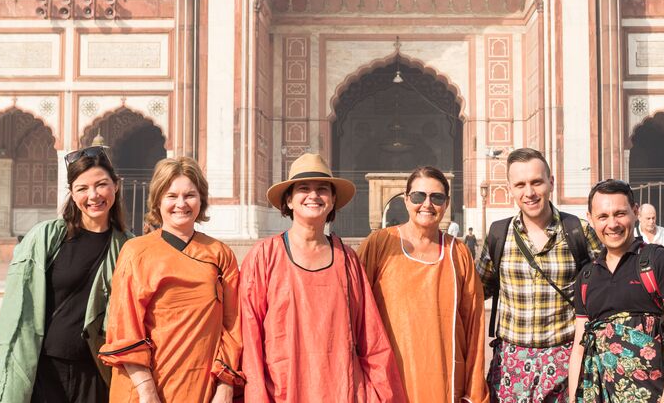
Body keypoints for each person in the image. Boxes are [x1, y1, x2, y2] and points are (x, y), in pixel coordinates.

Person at [240, 152, 405, 403]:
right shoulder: (264, 256)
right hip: (283, 392)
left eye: (322, 189)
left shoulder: (347, 260)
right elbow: (250, 340)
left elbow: (371, 339)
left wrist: (383, 395)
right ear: (289, 200)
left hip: (342, 390)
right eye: (303, 188)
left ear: (333, 200)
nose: (314, 195)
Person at [0, 145, 132, 403]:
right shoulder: (47, 237)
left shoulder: (129, 247)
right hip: (46, 369)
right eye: (82, 188)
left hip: (95, 371)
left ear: (116, 186)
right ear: (72, 194)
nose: (93, 195)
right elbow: (17, 309)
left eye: (101, 184)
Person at [100, 156, 243, 402]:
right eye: (172, 196)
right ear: (158, 201)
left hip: (201, 386)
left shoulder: (219, 254)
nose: (181, 204)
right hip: (143, 388)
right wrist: (147, 392)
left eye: (190, 195)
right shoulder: (136, 252)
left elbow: (233, 327)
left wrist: (225, 385)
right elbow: (124, 328)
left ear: (201, 200)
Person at [477, 148, 601, 403]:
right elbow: (476, 291)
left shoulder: (578, 231)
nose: (529, 192)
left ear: (550, 182)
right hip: (510, 365)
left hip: (565, 360)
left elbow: (607, 289)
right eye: (520, 185)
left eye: (536, 182)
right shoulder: (499, 234)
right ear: (510, 189)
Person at [358, 166, 488, 403]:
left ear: (446, 204)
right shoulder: (380, 243)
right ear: (406, 200)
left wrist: (474, 393)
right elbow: (356, 314)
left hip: (444, 382)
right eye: (419, 196)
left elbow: (474, 326)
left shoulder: (458, 253)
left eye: (436, 197)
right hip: (387, 381)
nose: (427, 204)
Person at [567, 180, 664, 403]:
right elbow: (579, 349)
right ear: (590, 219)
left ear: (635, 212)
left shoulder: (659, 262)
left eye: (620, 214)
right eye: (603, 216)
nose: (612, 224)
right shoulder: (587, 277)